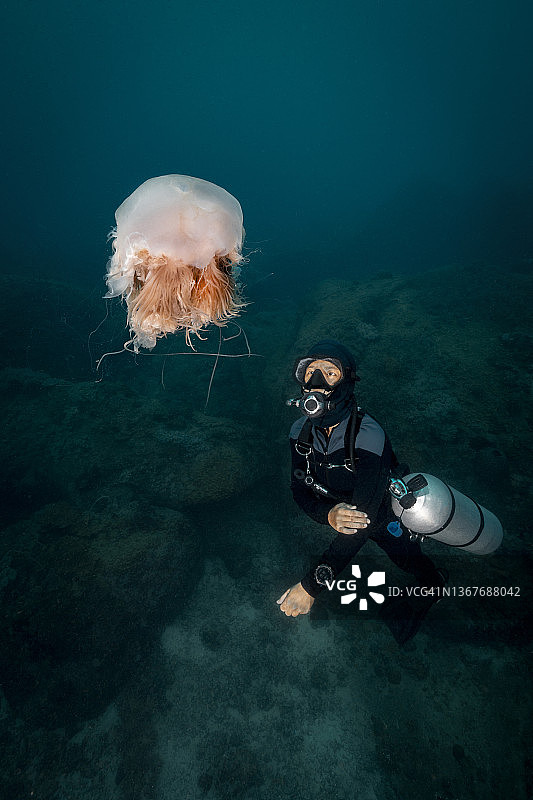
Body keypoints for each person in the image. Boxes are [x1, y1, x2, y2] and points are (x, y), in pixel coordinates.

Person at [277, 339, 447, 644]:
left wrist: (311, 586)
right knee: (359, 538)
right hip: (340, 508)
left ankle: (435, 585)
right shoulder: (299, 431)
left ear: (347, 382)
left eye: (330, 372)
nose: (317, 380)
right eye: (311, 371)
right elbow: (298, 489)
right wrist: (327, 513)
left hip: (380, 512)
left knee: (407, 559)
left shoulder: (368, 434)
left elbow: (362, 520)